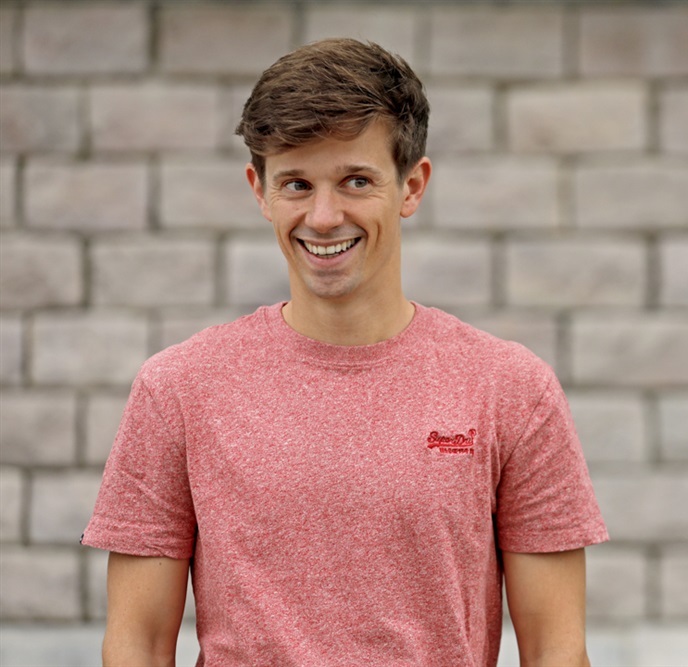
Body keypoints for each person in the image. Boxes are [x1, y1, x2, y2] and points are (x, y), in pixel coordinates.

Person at [83, 38, 607, 667]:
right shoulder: (178, 388)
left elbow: (555, 649)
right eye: (297, 184)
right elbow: (137, 644)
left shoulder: (510, 388)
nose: (325, 216)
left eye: (356, 181)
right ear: (260, 191)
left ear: (412, 185)